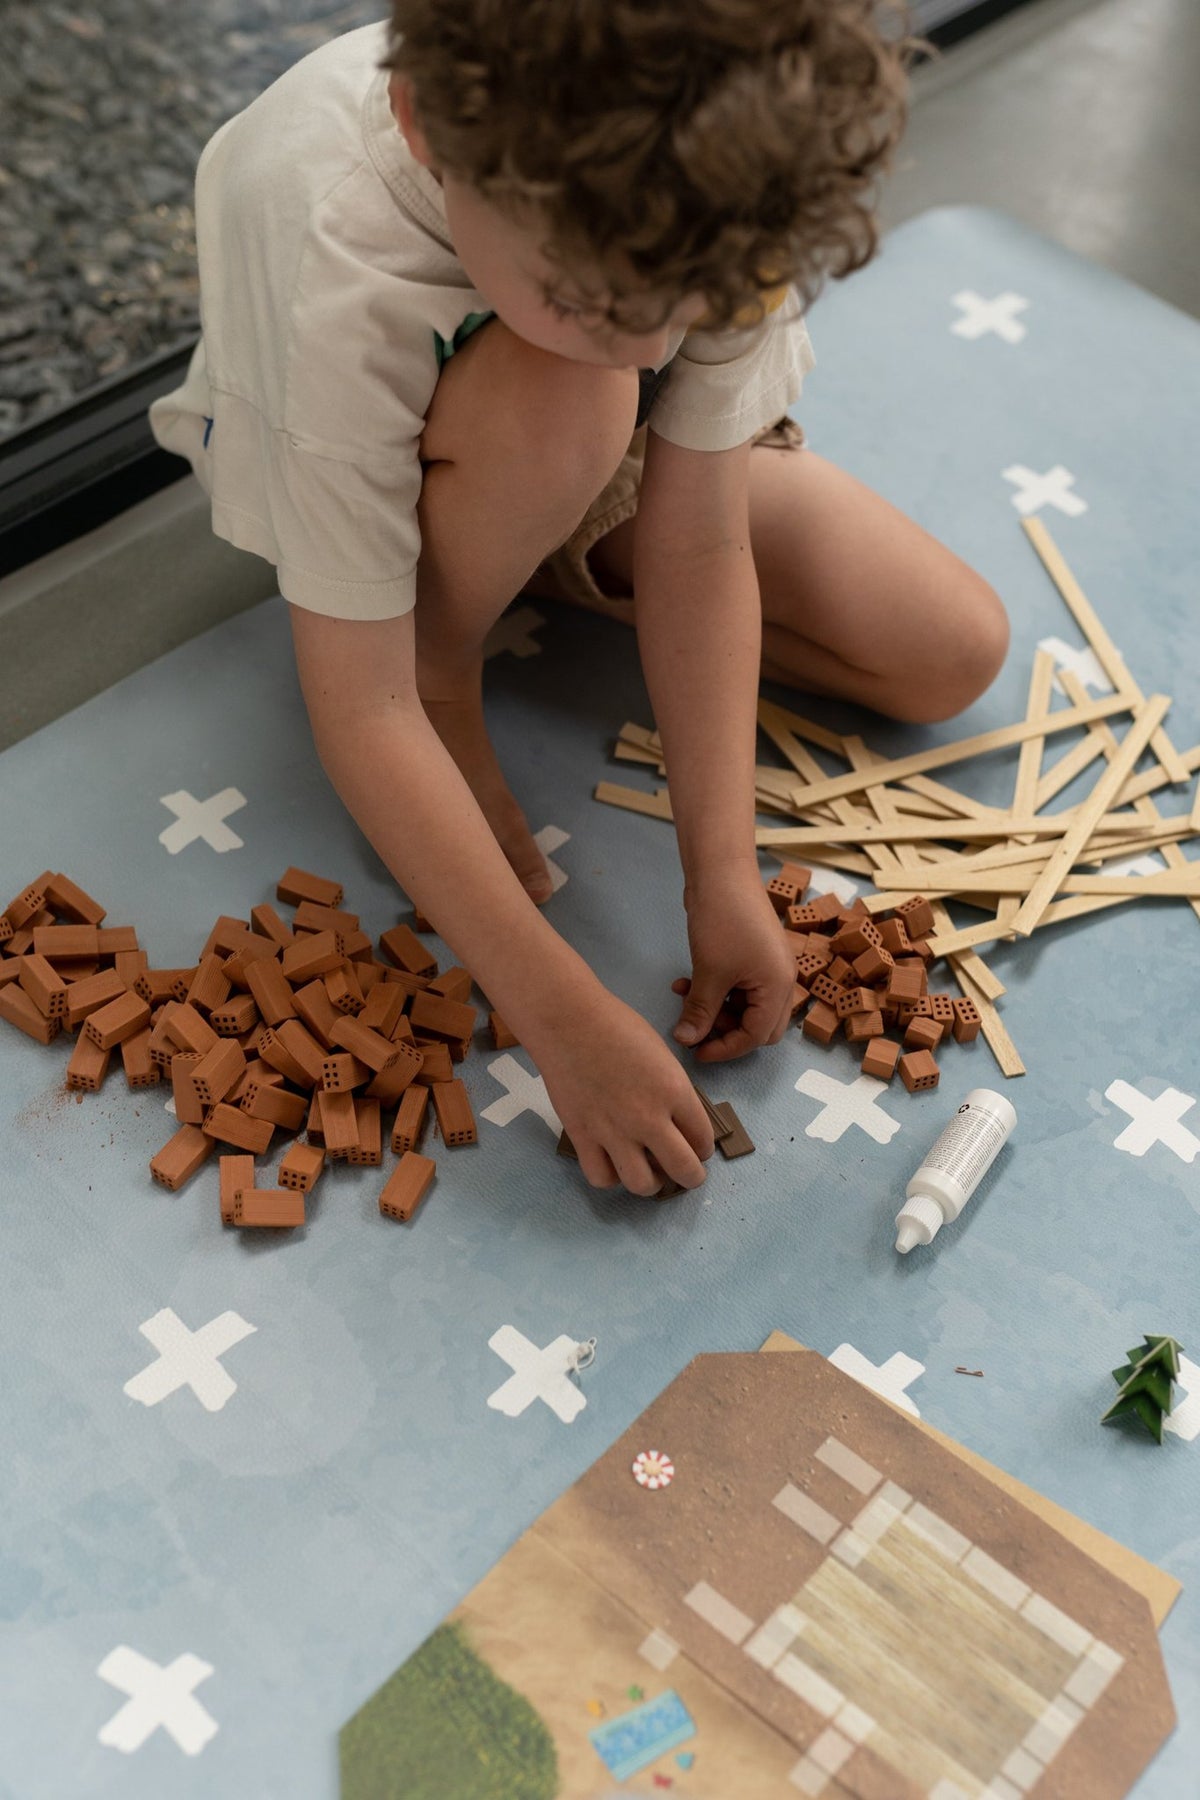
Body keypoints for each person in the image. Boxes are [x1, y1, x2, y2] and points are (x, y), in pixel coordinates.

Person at [149, 1, 1009, 1200]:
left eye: (687, 302)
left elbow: (701, 540)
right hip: (372, 439)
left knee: (949, 650)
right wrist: (558, 1010)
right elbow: (359, 709)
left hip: (567, 434)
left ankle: (542, 541)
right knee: (580, 399)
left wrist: (721, 871)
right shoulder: (335, 251)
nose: (658, 336)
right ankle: (446, 651)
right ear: (425, 129)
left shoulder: (723, 174)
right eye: (610, 303)